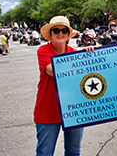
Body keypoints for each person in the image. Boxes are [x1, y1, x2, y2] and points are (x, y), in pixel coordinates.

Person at [35, 16, 94, 156]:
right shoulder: (43, 51)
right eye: (56, 30)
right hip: (48, 110)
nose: (60, 34)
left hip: (74, 110)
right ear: (50, 34)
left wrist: (92, 55)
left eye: (64, 31)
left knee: (73, 152)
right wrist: (79, 61)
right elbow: (52, 71)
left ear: (68, 35)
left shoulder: (76, 54)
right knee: (44, 153)